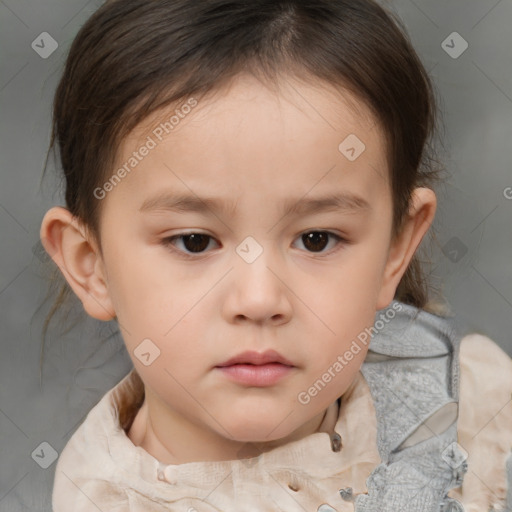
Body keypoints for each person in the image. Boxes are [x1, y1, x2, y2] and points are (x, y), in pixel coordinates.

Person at [39, 0, 512, 510]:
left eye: (317, 239)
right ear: (92, 265)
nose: (260, 299)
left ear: (396, 247)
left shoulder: (474, 403)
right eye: (195, 241)